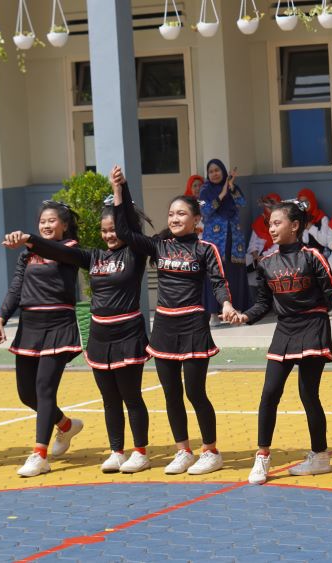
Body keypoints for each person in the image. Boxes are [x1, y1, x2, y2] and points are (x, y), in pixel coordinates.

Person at [0, 188, 151, 475]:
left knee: (131, 397)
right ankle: (117, 452)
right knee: (110, 400)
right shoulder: (93, 257)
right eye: (104, 230)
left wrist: (120, 192)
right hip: (100, 336)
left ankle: (140, 452)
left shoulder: (134, 253)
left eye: (114, 229)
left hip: (127, 334)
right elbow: (58, 251)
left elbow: (127, 231)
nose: (109, 235)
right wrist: (29, 240)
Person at [111, 167, 238, 476]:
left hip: (193, 328)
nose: (175, 218)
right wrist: (119, 190)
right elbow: (125, 232)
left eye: (181, 213)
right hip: (164, 329)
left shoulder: (205, 249)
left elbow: (218, 281)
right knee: (171, 394)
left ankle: (211, 451)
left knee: (195, 392)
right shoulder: (159, 246)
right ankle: (183, 451)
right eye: (171, 214)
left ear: (196, 219)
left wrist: (226, 303)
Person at [232, 200, 332, 485]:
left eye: (277, 223)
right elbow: (263, 304)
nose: (271, 228)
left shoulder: (313, 256)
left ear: (294, 225)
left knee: (308, 394)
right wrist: (243, 316)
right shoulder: (266, 263)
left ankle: (320, 455)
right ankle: (262, 456)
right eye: (270, 224)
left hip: (313, 326)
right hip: (285, 329)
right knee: (269, 394)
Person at [0, 202, 86, 477]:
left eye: (52, 220)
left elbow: (53, 250)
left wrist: (28, 239)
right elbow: (16, 288)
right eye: (42, 221)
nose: (46, 225)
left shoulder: (70, 248)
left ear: (64, 225)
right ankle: (66, 425)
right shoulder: (28, 254)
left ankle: (39, 455)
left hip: (58, 324)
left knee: (44, 389)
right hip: (29, 327)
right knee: (26, 394)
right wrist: (0, 319)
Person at [199, 159, 250, 324]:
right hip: (214, 239)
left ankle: (237, 311)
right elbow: (205, 211)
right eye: (211, 171)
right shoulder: (204, 191)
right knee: (214, 273)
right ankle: (214, 313)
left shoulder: (232, 188)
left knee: (234, 272)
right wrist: (221, 195)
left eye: (217, 170)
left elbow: (242, 203)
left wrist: (231, 187)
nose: (214, 174)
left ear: (223, 171)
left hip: (234, 238)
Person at [247, 194, 282, 302]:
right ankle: (253, 300)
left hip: (272, 255)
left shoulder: (281, 222)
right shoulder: (260, 221)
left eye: (272, 206)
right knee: (246, 261)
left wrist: (264, 256)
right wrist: (255, 255)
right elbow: (252, 242)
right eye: (268, 206)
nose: (269, 209)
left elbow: (279, 244)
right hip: (257, 256)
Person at [297, 188, 332, 257]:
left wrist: (311, 228)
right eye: (301, 203)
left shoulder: (322, 218)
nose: (304, 205)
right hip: (303, 256)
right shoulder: (299, 218)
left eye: (306, 201)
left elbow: (325, 242)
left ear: (312, 201)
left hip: (318, 257)